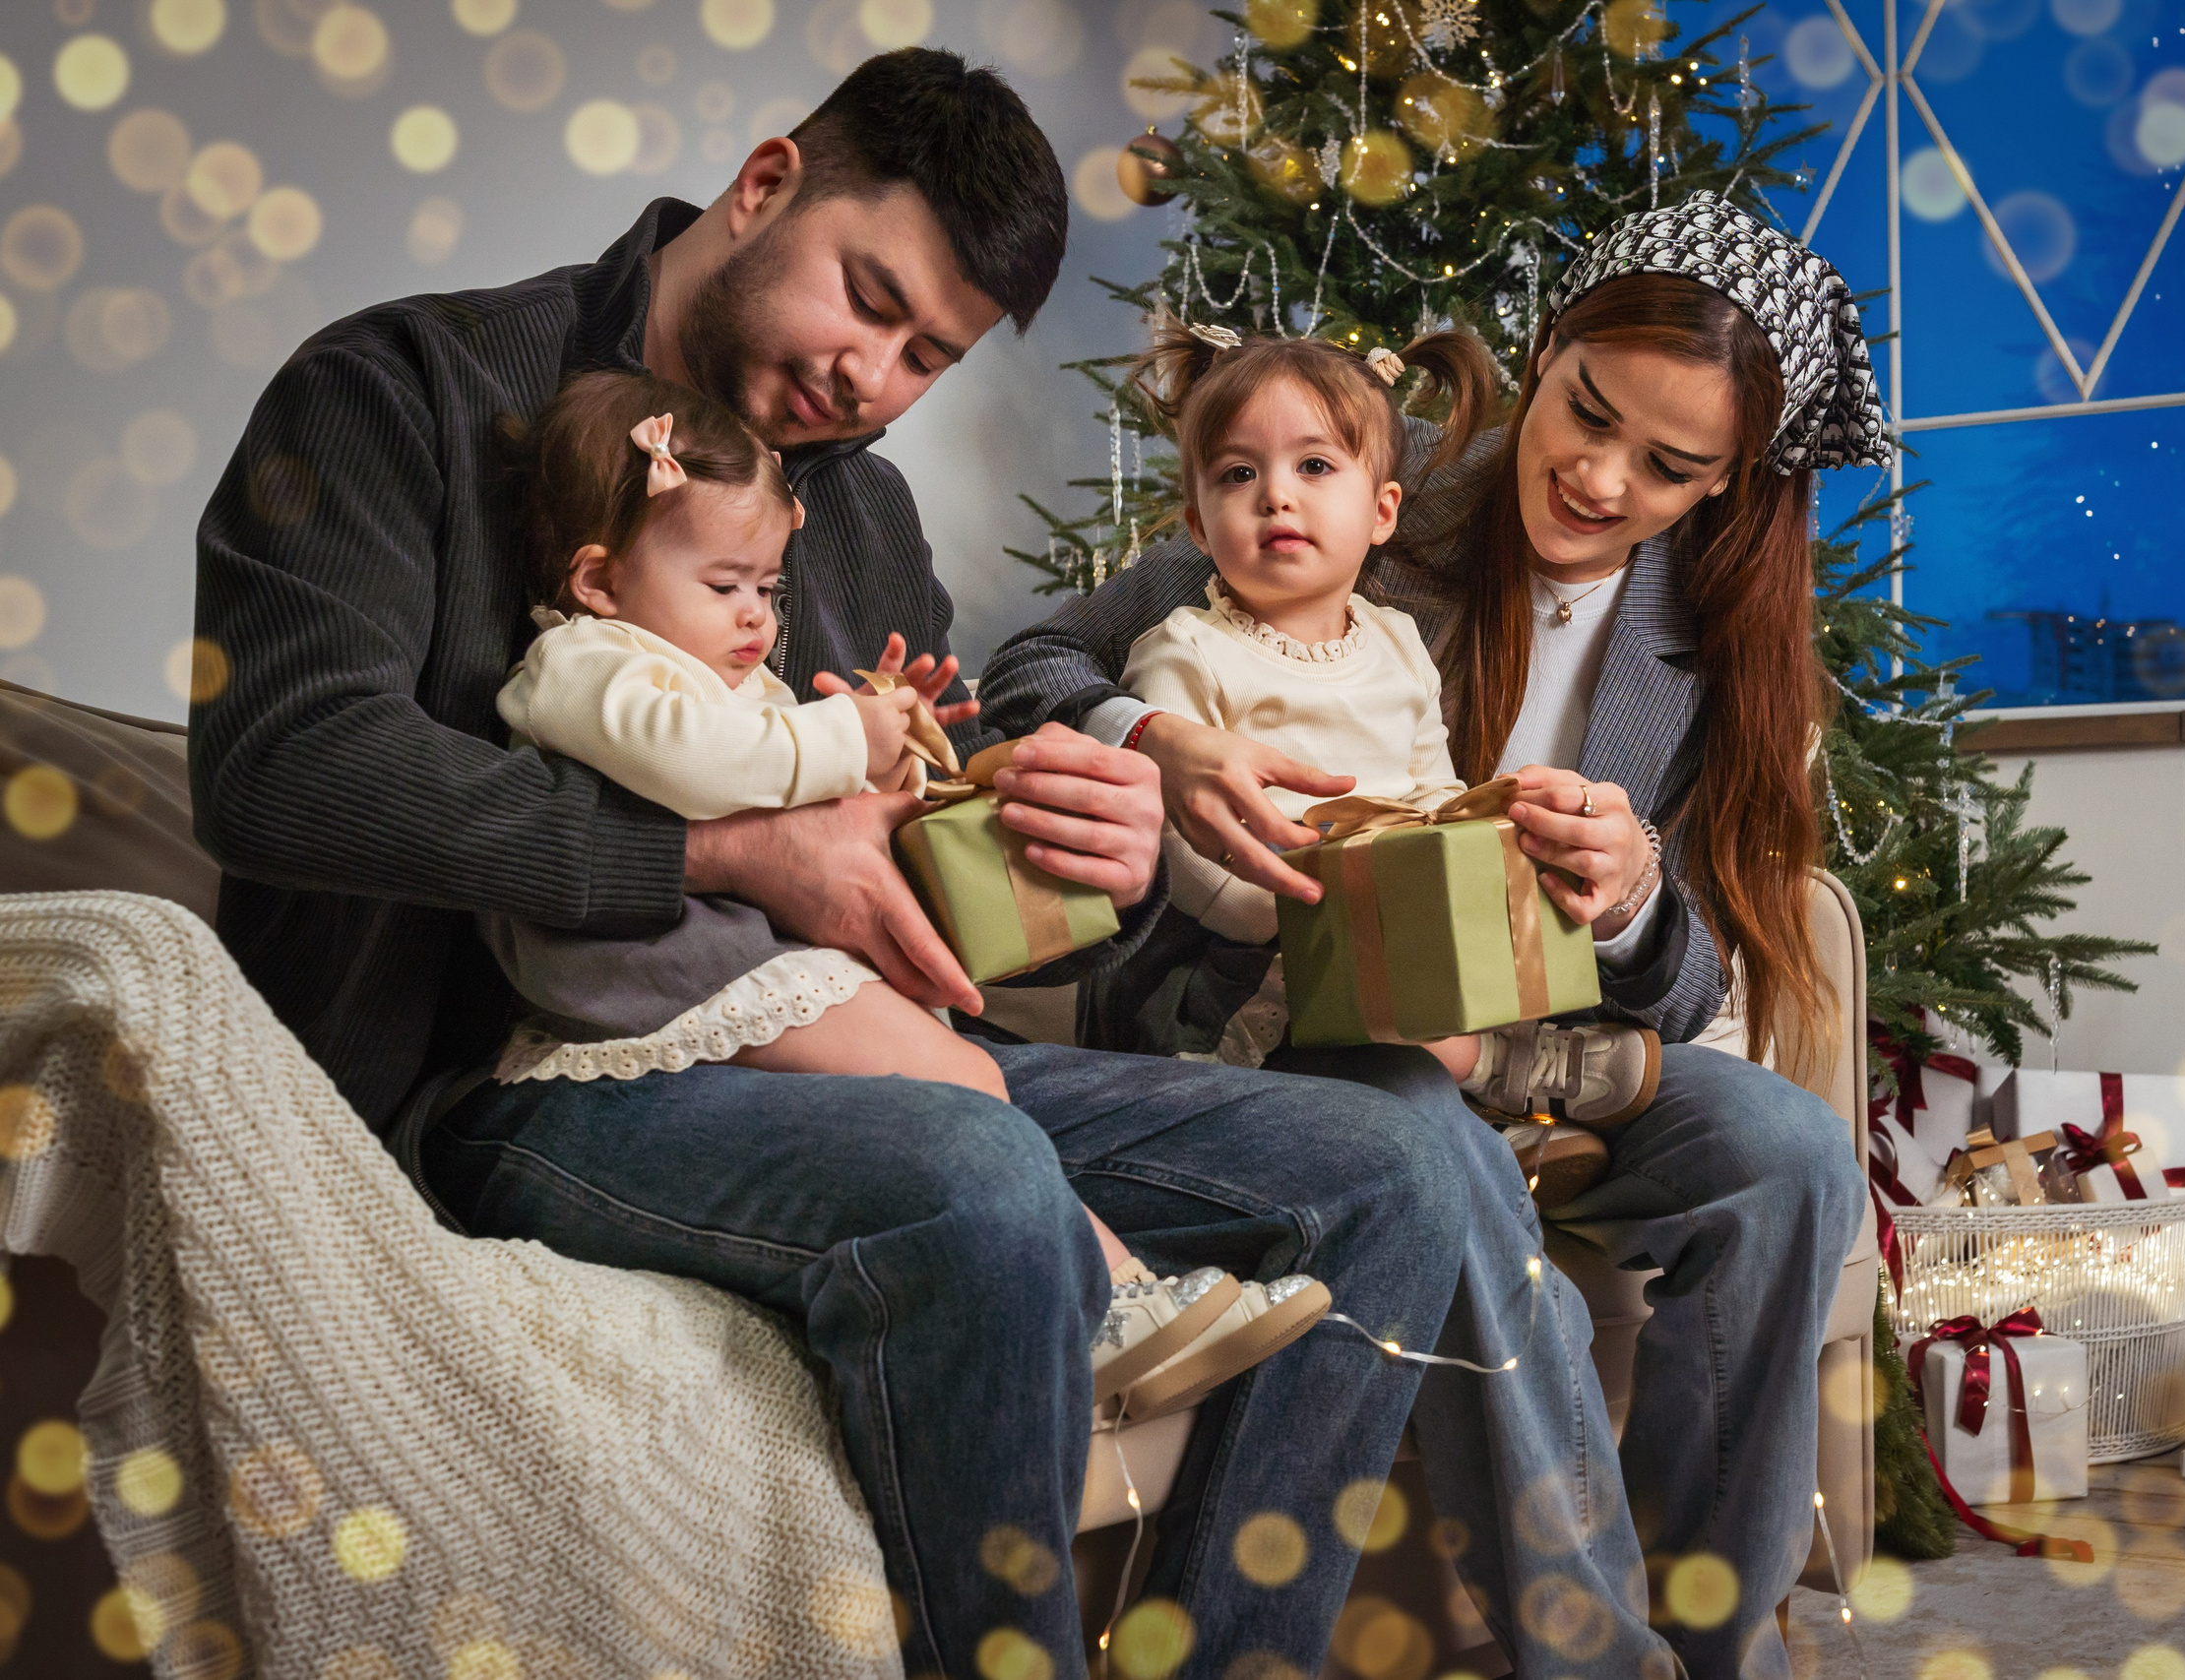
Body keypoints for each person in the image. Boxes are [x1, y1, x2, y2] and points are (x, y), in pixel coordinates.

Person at [190, 48, 1472, 1680]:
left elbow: (918, 898)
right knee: (979, 1175)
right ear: (769, 181)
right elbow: (284, 765)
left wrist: (1081, 849)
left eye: (924, 355)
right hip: (514, 1079)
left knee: (1400, 1168)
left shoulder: (854, 521)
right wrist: (725, 844)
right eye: (865, 301)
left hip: (837, 1048)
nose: (867, 376)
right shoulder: (401, 391)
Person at [981, 192, 1884, 1680]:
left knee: (1788, 1153)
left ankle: (1723, 1648)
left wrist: (1639, 885)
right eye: (1583, 411)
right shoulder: (1362, 497)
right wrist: (1154, 737)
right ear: (1546, 352)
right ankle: (1587, 1655)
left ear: (1731, 485)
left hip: (1549, 1044)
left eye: (1669, 467)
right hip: (1301, 1029)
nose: (1596, 475)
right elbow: (1032, 662)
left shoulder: (1714, 643)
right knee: (1418, 1123)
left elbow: (1705, 965)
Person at [481, 366, 1332, 1416]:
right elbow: (701, 762)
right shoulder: (586, 662)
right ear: (600, 580)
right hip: (654, 976)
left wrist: (892, 752)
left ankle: (1132, 1302)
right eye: (724, 586)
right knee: (963, 1094)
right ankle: (1118, 1306)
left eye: (769, 590)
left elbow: (793, 797)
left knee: (965, 1082)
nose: (755, 618)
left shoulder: (697, 666)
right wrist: (840, 738)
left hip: (728, 962)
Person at [1093, 317, 1656, 1201]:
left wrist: (1478, 834)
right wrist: (1329, 906)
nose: (1277, 496)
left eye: (1314, 467)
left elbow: (1433, 782)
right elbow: (1188, 853)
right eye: (1239, 475)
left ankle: (1497, 1114)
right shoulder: (1186, 652)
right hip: (1259, 958)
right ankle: (1496, 1074)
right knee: (1391, 1001)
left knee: (1446, 953)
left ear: (1382, 510)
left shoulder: (1395, 640)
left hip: (1395, 929)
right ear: (1200, 526)